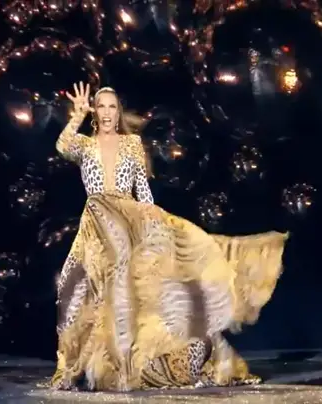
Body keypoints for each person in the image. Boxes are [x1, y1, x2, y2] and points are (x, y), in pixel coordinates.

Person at [51, 82, 288, 391]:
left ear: (118, 112)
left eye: (112, 106)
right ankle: (79, 366)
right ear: (95, 112)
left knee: (130, 292)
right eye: (101, 106)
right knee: (77, 292)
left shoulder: (132, 144)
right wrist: (77, 115)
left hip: (127, 223)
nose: (107, 112)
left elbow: (142, 190)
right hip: (94, 227)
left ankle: (130, 365)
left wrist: (155, 227)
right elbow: (62, 146)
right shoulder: (85, 145)